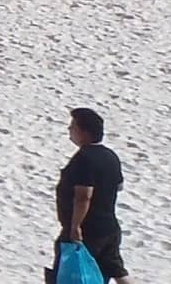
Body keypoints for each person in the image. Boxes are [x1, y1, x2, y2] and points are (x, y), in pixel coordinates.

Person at [51, 107, 129, 283]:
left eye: (73, 126)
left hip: (88, 230)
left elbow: (83, 196)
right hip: (109, 227)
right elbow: (118, 186)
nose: (69, 130)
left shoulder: (84, 158)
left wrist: (75, 226)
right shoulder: (110, 156)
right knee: (117, 271)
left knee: (69, 274)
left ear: (84, 132)